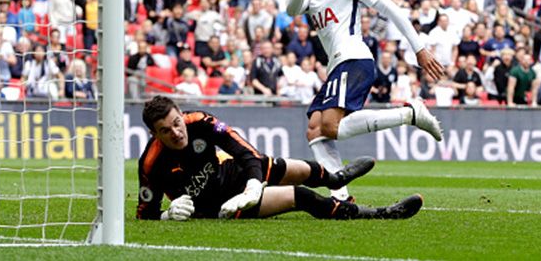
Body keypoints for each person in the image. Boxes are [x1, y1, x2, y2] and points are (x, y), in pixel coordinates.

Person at [286, 0, 444, 201]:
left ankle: (409, 114)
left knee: (331, 127)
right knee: (315, 129)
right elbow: (292, 9)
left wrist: (418, 47)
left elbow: (389, 7)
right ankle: (341, 196)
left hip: (354, 57)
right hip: (336, 65)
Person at [137, 96, 422, 221]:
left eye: (177, 122)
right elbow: (144, 215)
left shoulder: (199, 121)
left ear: (180, 114)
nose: (176, 132)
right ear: (154, 133)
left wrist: (252, 183)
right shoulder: (151, 164)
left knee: (297, 167)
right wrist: (166, 215)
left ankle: (337, 178)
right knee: (302, 196)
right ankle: (382, 213)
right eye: (166, 130)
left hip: (234, 172)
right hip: (222, 205)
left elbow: (245, 151)